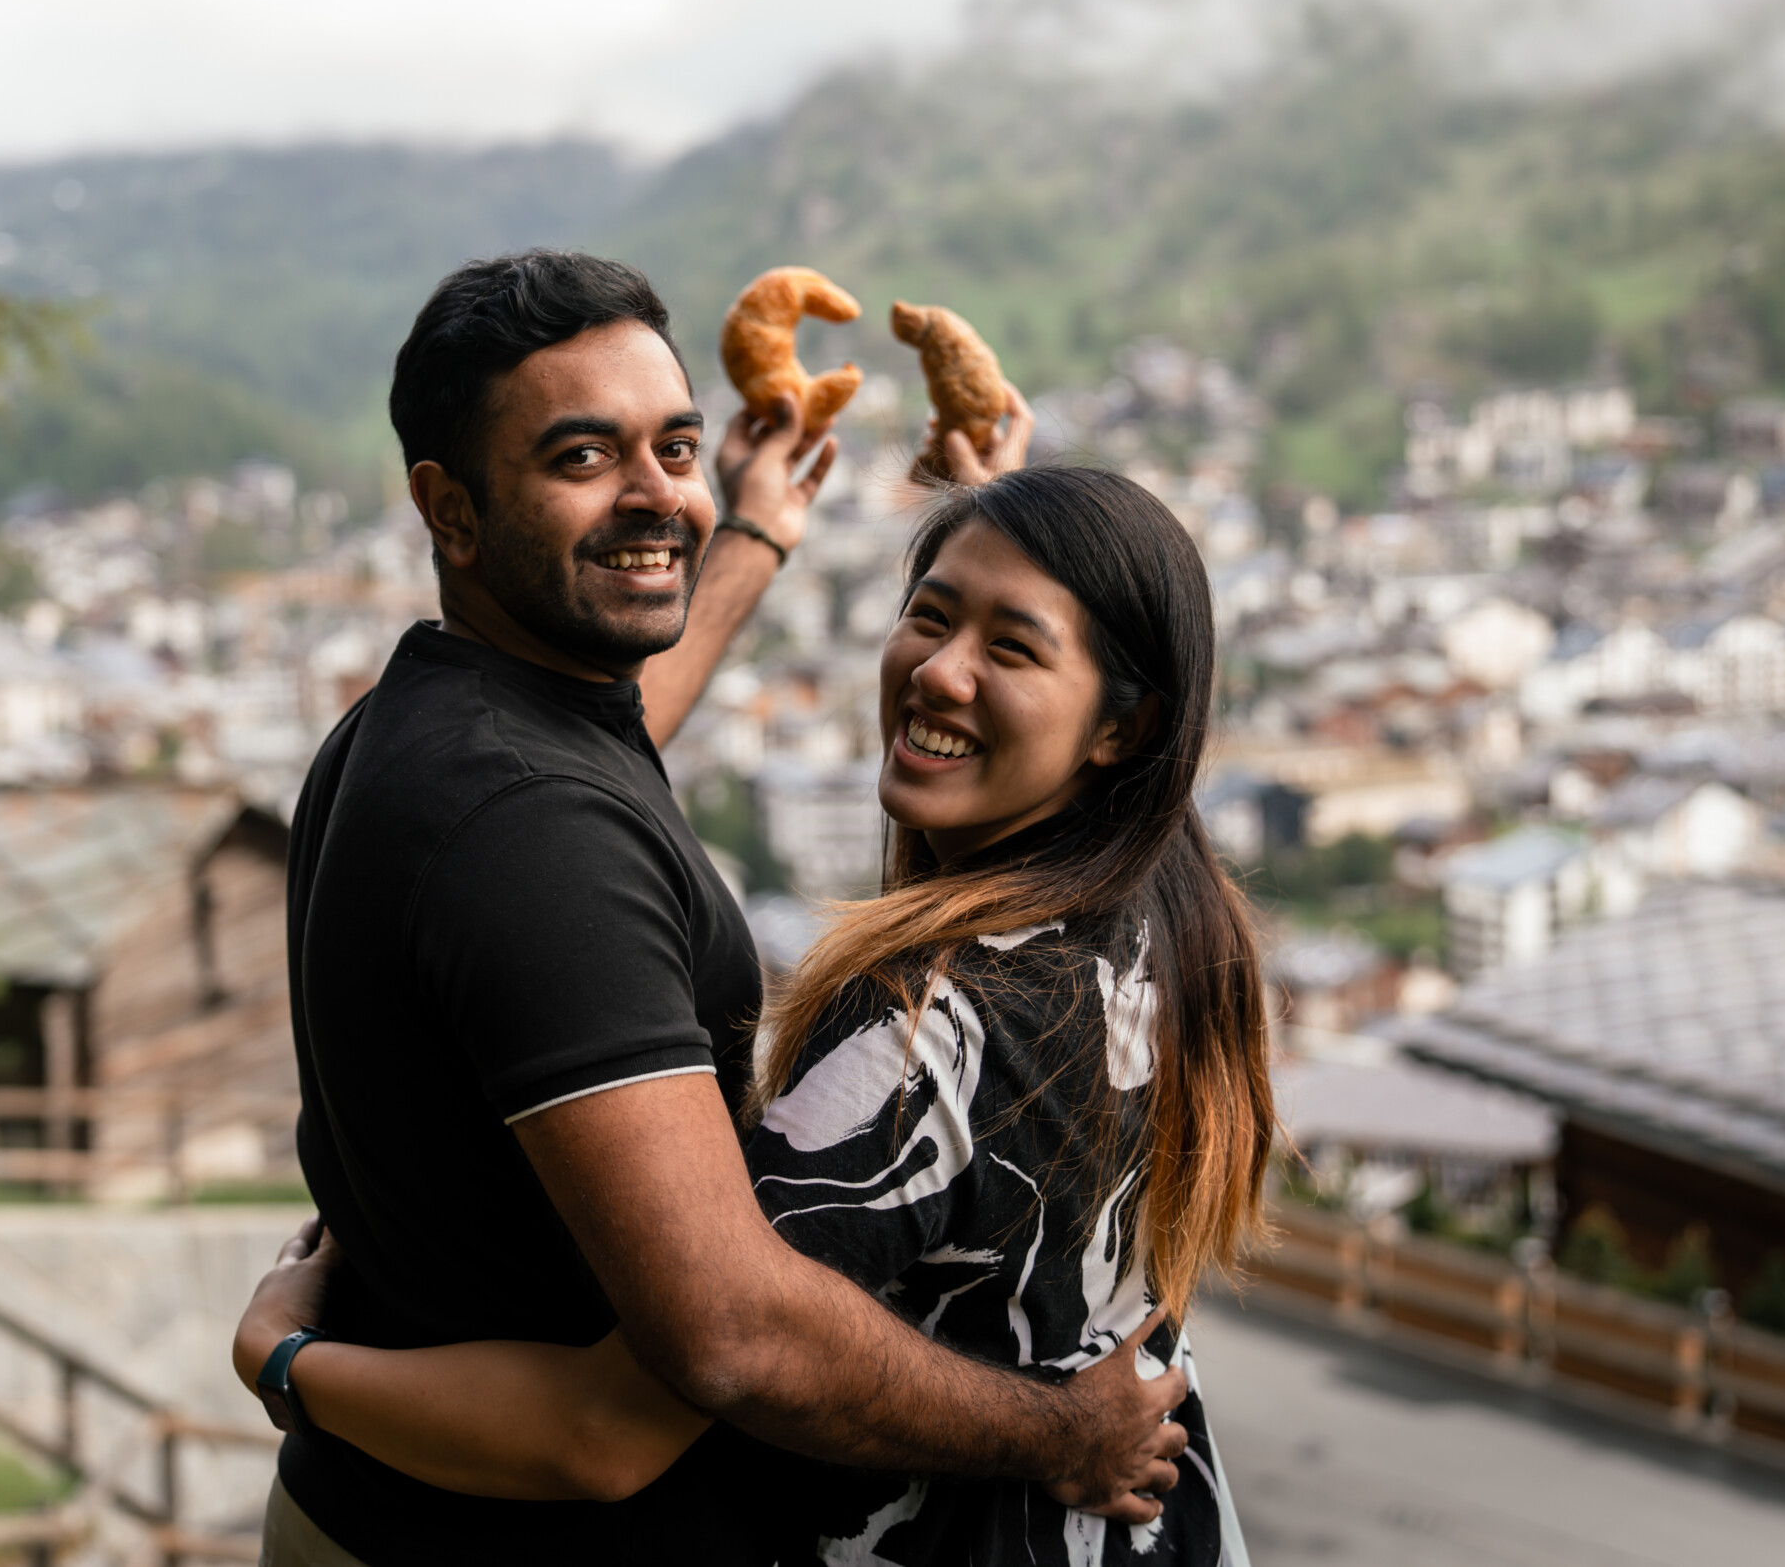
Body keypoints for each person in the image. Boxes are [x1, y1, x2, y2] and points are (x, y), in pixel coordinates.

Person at [255, 250, 1189, 1567]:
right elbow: (729, 1345)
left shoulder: (444, 726)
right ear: (449, 509)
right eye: (584, 459)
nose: (656, 497)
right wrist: (1060, 1436)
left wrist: (756, 526)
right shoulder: (529, 832)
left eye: (674, 446)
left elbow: (611, 742)